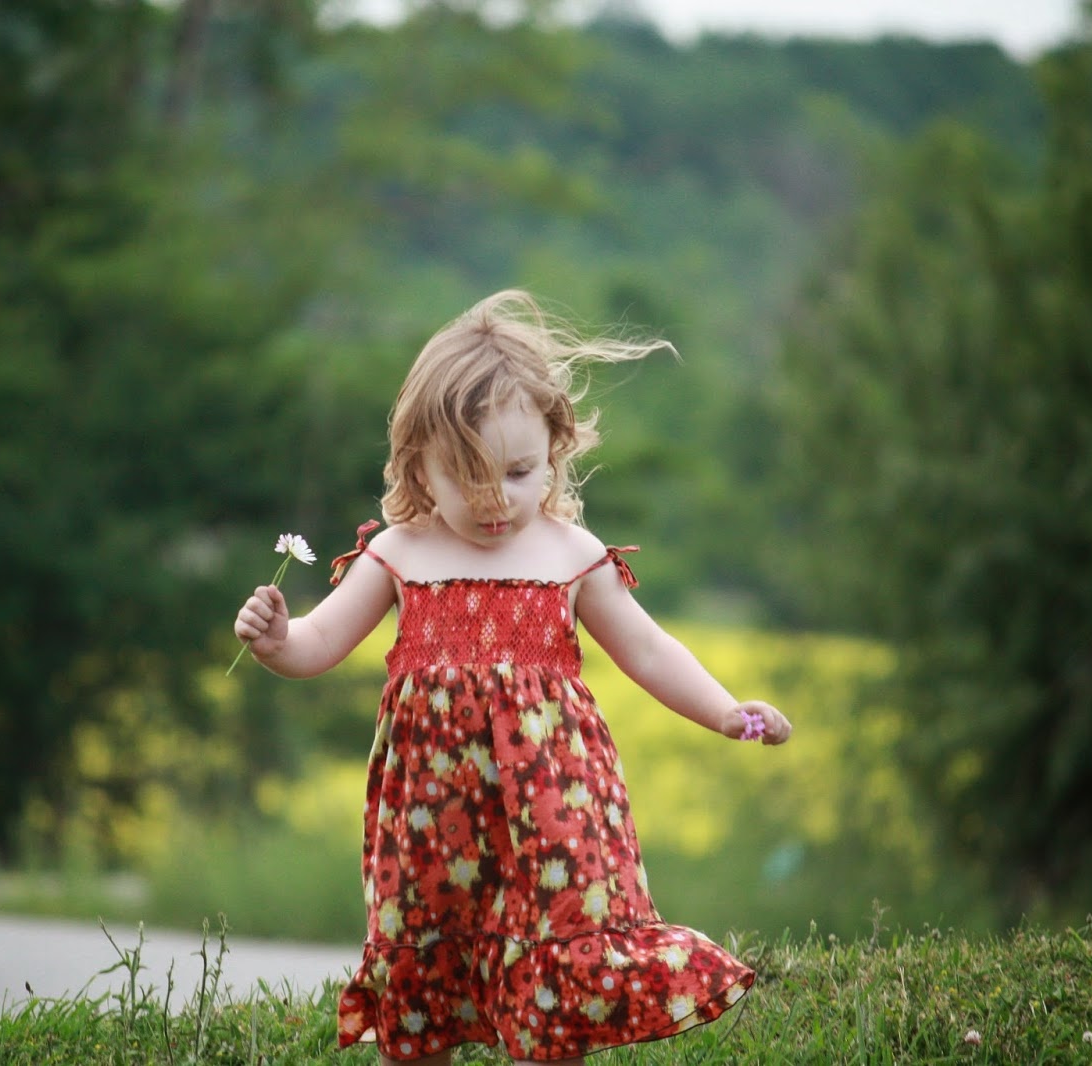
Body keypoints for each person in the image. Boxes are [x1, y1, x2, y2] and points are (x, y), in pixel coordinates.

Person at [232, 289, 793, 1064]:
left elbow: (650, 651)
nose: (498, 502)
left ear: (555, 448)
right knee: (426, 949)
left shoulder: (570, 553)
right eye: (469, 480)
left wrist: (729, 712)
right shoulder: (400, 552)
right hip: (432, 818)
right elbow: (319, 643)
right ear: (420, 467)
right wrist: (276, 640)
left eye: (520, 472)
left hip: (554, 805)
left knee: (557, 947)